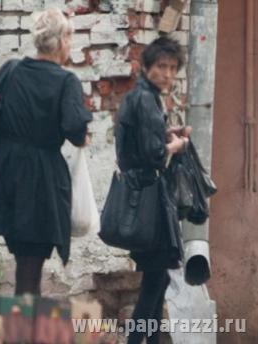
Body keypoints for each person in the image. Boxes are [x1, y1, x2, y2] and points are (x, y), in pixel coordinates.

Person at [0, 8, 92, 296]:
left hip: (7, 173)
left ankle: (22, 328)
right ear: (63, 40)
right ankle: (22, 332)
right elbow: (75, 129)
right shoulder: (66, 82)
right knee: (30, 270)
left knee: (25, 260)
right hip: (41, 178)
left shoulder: (12, 70)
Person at [113, 37, 191, 344]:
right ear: (146, 67)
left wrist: (165, 133)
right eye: (161, 67)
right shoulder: (145, 99)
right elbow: (154, 153)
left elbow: (142, 142)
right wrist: (178, 144)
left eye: (173, 68)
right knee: (154, 284)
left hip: (143, 196)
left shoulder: (140, 97)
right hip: (149, 201)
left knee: (156, 284)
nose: (168, 74)